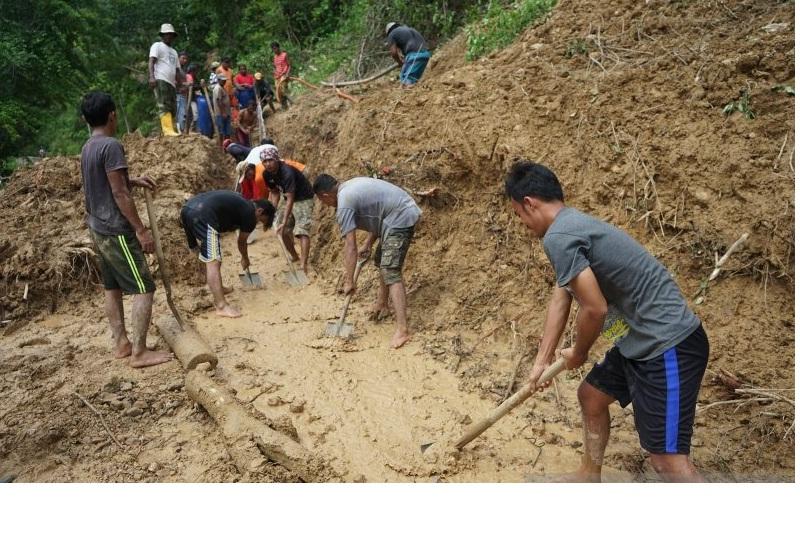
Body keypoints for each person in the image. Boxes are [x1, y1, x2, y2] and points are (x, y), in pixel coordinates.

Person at [504, 161, 708, 482]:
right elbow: (562, 295)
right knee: (592, 395)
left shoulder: (559, 236)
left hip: (667, 344)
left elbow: (595, 309)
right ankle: (589, 474)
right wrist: (540, 364)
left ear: (528, 203)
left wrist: (580, 352)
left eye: (518, 214)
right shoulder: (572, 225)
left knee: (666, 460)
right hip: (637, 341)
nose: (522, 223)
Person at [79, 91, 173, 368]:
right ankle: (140, 353)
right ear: (112, 115)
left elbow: (106, 181)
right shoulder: (111, 146)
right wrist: (141, 230)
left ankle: (122, 343)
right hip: (116, 229)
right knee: (144, 286)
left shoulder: (88, 147)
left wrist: (132, 179)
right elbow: (119, 193)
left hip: (97, 226)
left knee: (113, 287)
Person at [313, 174, 421, 349]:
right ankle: (383, 304)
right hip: (393, 215)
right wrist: (368, 243)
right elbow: (379, 212)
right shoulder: (350, 187)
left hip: (401, 215)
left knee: (390, 270)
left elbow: (350, 246)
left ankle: (403, 330)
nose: (325, 204)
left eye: (322, 201)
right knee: (381, 260)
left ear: (325, 195)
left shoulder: (345, 203)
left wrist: (349, 281)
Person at [180, 190, 275, 318]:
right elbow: (242, 242)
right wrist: (245, 258)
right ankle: (221, 306)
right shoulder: (250, 214)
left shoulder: (242, 201)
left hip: (187, 209)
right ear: (259, 211)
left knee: (205, 253)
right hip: (204, 214)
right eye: (260, 220)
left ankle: (218, 288)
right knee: (213, 260)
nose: (257, 222)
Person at [260, 146, 314, 274]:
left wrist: (285, 220)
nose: (268, 164)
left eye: (270, 160)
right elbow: (274, 192)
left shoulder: (287, 172)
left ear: (277, 159)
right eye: (265, 161)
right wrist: (273, 211)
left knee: (301, 230)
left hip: (303, 198)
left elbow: (290, 198)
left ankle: (303, 265)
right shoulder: (266, 174)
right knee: (281, 229)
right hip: (288, 197)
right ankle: (295, 256)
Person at [148, 23, 182, 135]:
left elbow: (177, 69)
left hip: (172, 82)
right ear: (162, 35)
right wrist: (152, 77)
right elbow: (151, 61)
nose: (169, 36)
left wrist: (181, 83)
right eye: (167, 34)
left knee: (173, 107)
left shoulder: (174, 52)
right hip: (161, 78)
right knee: (164, 105)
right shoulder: (157, 46)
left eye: (171, 34)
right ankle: (167, 130)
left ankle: (172, 129)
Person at [385, 22, 431, 87]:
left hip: (415, 56)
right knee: (413, 80)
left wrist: (400, 63)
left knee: (404, 81)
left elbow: (394, 53)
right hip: (426, 55)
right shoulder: (409, 29)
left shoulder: (392, 34)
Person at [213, 73, 232, 145]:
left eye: (225, 80)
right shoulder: (218, 88)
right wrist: (223, 112)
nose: (224, 82)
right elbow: (219, 101)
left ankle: (227, 147)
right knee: (222, 132)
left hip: (225, 113)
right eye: (222, 80)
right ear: (218, 80)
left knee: (227, 131)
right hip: (221, 114)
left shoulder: (221, 87)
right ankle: (222, 148)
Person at [271, 42, 291, 107]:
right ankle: (284, 106)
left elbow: (289, 65)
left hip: (284, 75)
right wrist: (274, 71)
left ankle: (291, 102)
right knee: (279, 92)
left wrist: (287, 74)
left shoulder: (285, 54)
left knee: (284, 90)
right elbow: (275, 67)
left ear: (278, 47)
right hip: (277, 76)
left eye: (275, 48)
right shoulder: (275, 57)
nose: (275, 50)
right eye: (273, 49)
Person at [176, 51, 190, 133]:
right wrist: (186, 84)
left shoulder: (183, 70)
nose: (185, 60)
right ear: (178, 58)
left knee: (183, 115)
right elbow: (175, 82)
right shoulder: (176, 69)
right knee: (180, 115)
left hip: (183, 95)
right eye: (183, 58)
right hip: (178, 95)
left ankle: (182, 131)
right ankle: (179, 132)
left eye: (186, 59)